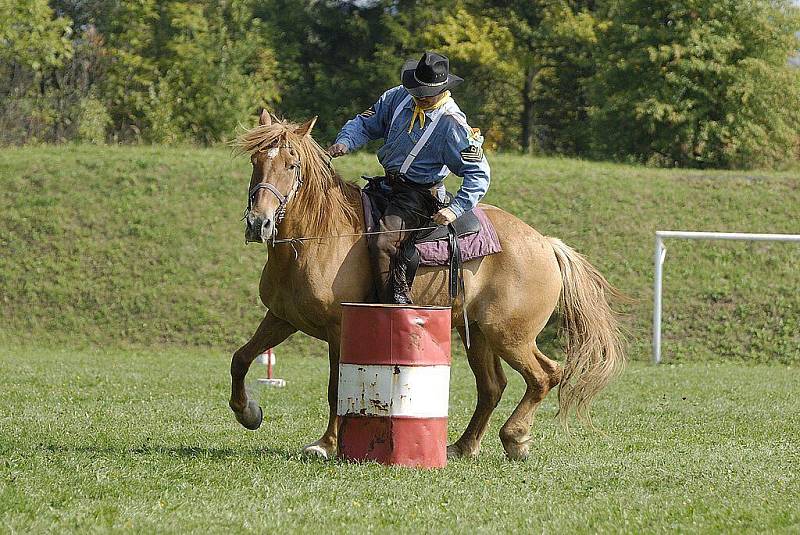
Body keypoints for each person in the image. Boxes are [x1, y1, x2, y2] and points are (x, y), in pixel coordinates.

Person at [327, 51, 490, 304]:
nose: (420, 98)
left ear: (442, 90)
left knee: (383, 242)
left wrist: (455, 208)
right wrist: (346, 142)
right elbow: (364, 123)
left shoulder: (452, 124)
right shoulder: (399, 96)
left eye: (426, 94)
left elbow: (479, 174)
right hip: (386, 185)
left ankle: (394, 306)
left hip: (419, 196)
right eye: (418, 91)